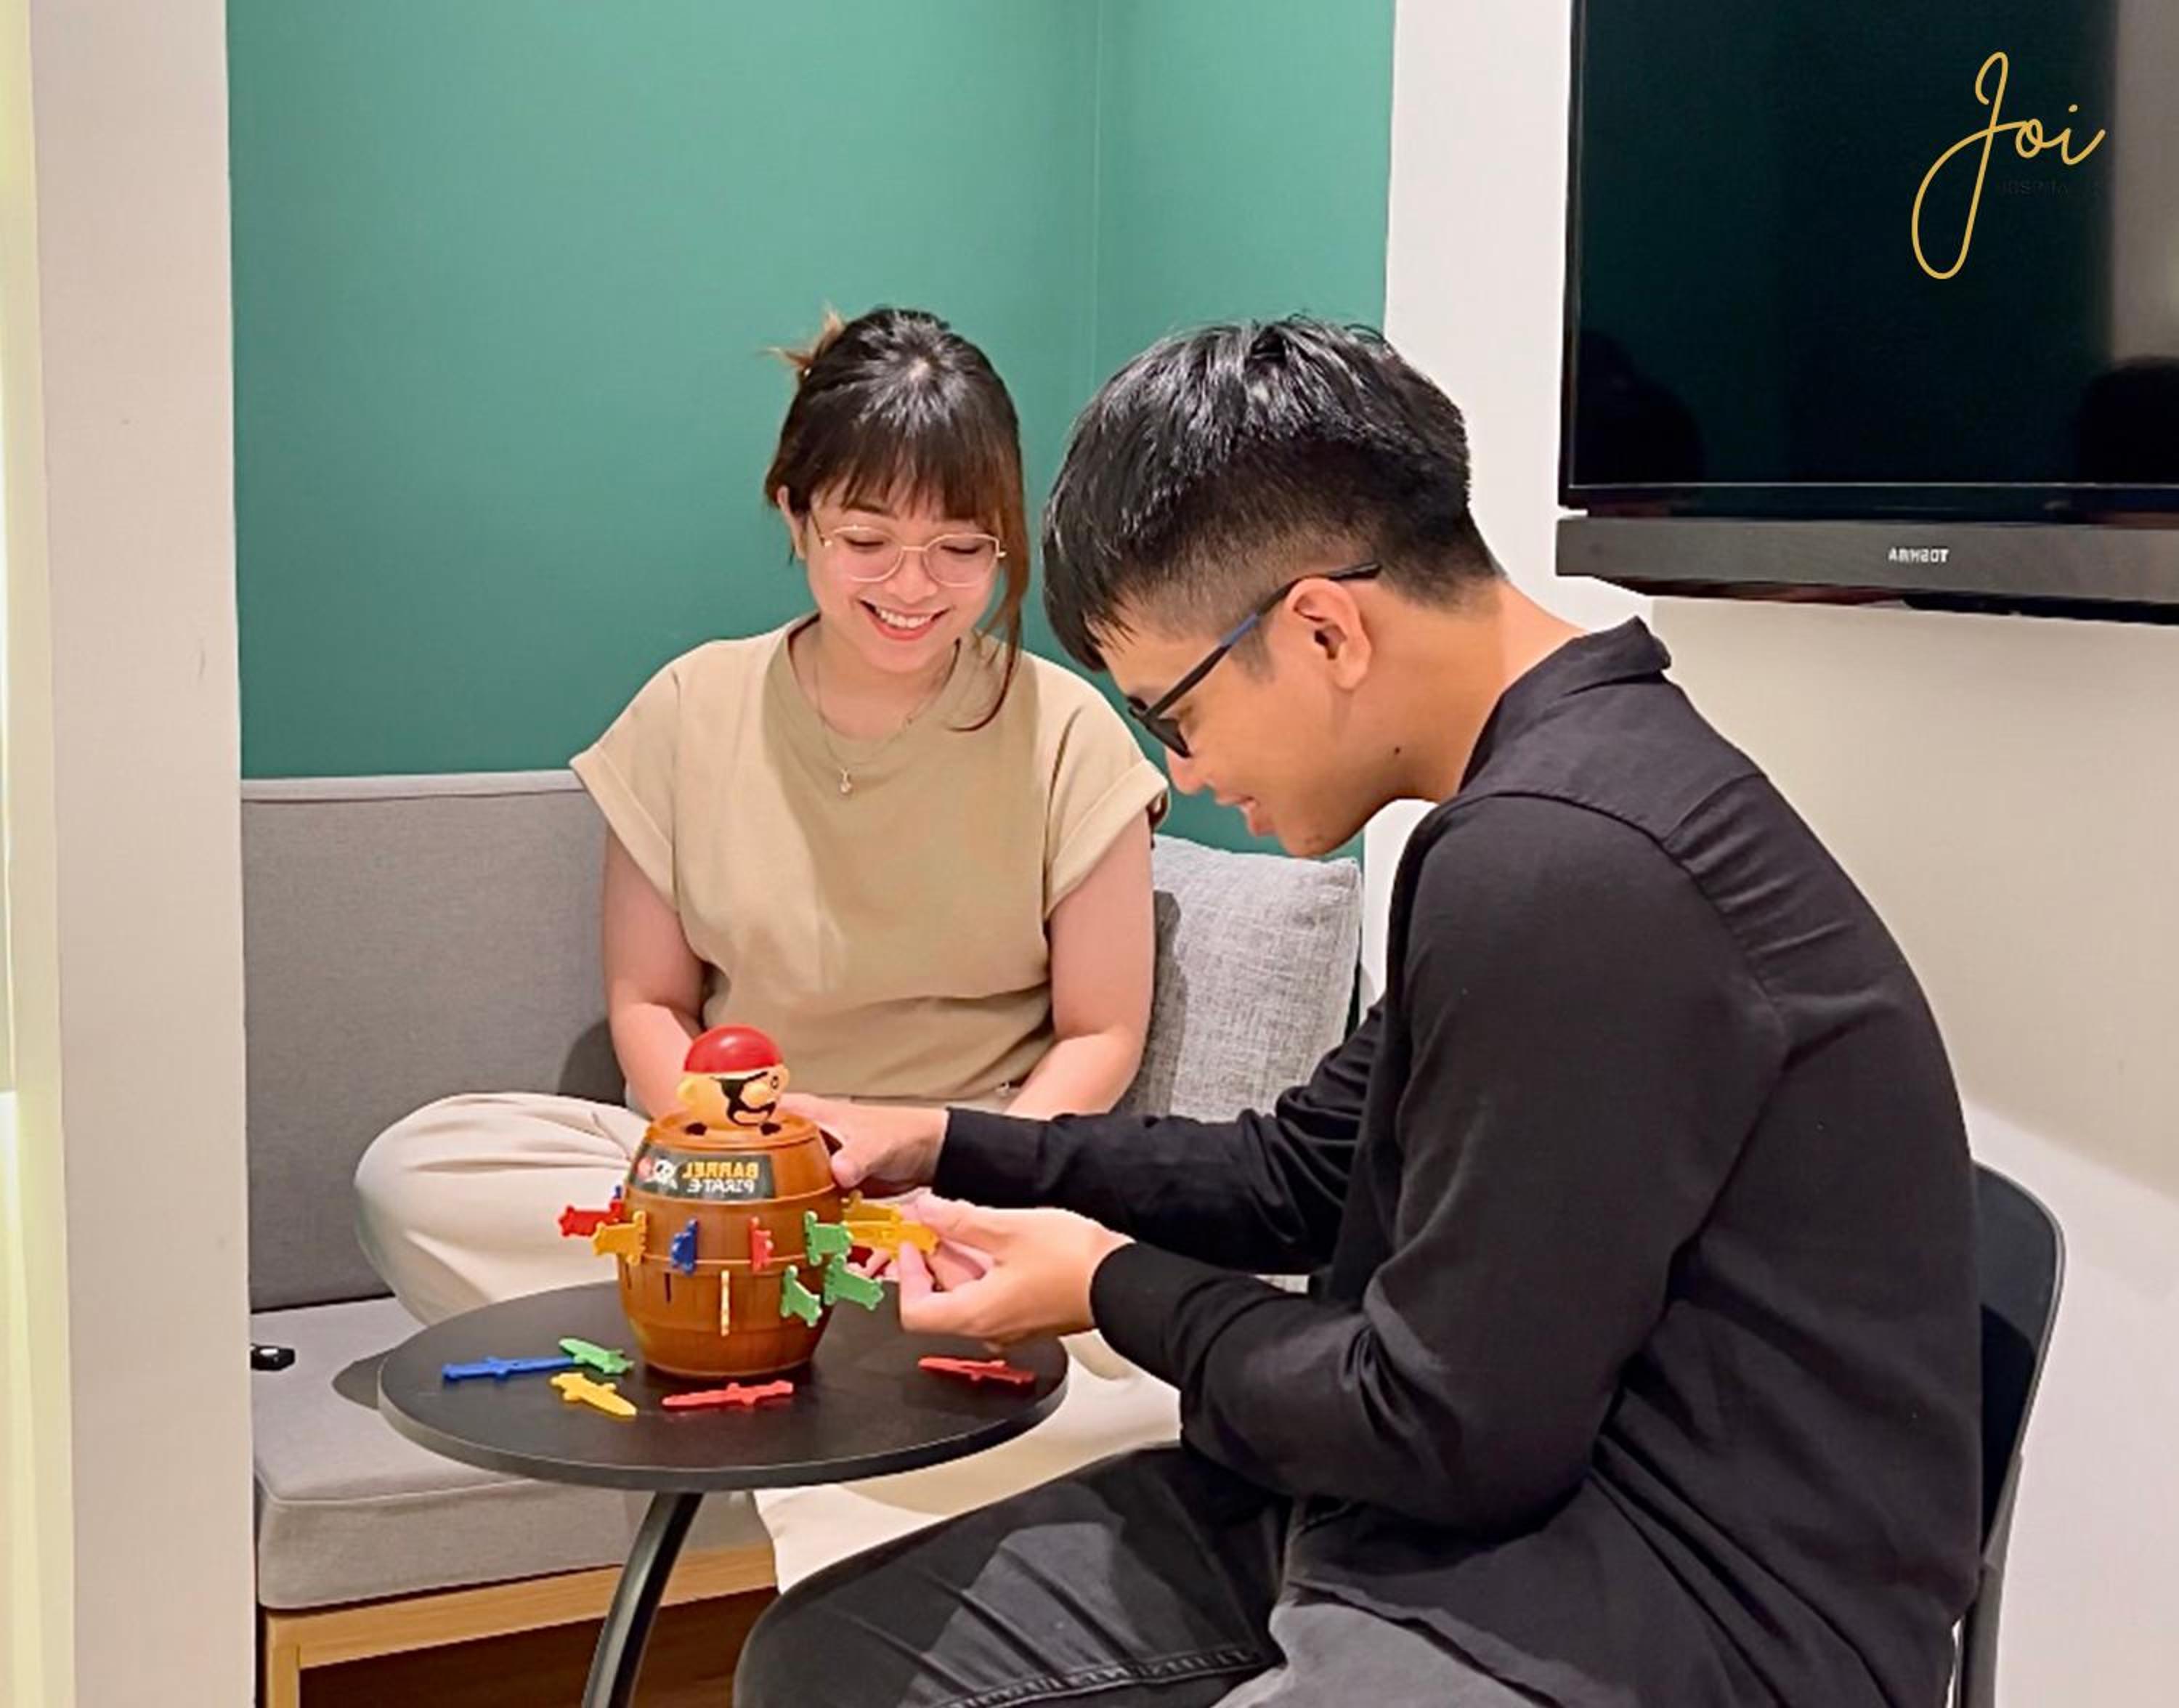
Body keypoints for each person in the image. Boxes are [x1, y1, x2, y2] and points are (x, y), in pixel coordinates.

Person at [736, 318, 1982, 1707]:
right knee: (826, 1662)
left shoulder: (1571, 861)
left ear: (1323, 629)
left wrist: (1107, 1288)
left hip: (1668, 1598)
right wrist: (946, 1143)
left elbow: (1447, 1426)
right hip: (1450, 1515)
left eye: (1173, 718)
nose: (1184, 774)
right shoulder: (1529, 810)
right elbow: (1302, 1170)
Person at [354, 307, 1178, 1566]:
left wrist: (961, 1174)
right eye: (868, 540)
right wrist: (735, 1163)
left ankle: (767, 1351)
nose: (914, 587)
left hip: (953, 1181)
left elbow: (1102, 1031)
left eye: (962, 547)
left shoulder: (1066, 731)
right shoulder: (690, 708)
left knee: (1140, 1349)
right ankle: (829, 1352)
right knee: (419, 1170)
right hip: (726, 1178)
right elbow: (649, 1002)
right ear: (795, 515)